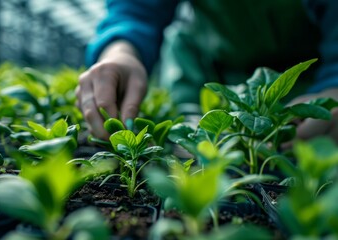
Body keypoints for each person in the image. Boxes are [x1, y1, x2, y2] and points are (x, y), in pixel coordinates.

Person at [76, 0, 338, 143]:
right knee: (191, 146)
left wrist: (334, 88)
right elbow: (137, 11)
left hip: (308, 83)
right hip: (204, 72)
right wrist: (121, 52)